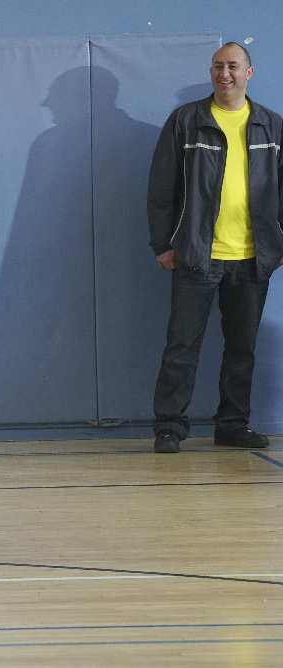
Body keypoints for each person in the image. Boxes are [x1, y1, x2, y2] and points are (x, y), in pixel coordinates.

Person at [148, 42, 283, 454]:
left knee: (242, 347)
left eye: (233, 66)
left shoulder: (272, 127)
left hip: (253, 258)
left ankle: (231, 425)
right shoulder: (185, 121)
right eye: (218, 66)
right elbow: (161, 189)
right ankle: (169, 426)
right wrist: (162, 243)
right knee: (181, 346)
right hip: (195, 254)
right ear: (211, 72)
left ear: (249, 73)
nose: (225, 73)